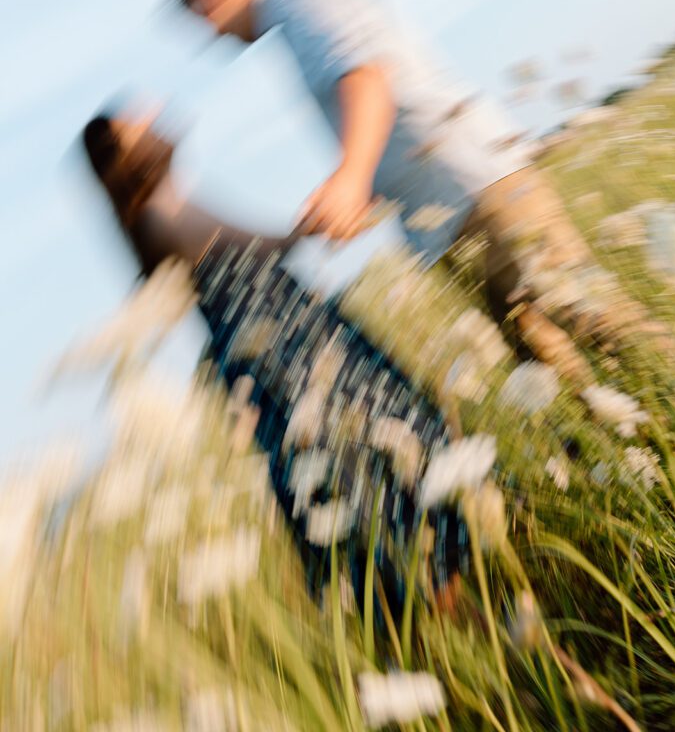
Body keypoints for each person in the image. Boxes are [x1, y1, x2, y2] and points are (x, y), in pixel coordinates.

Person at [172, 0, 673, 385]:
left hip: (474, 190)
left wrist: (351, 175)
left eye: (205, 20)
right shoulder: (292, 15)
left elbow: (365, 73)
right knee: (550, 370)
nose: (216, 35)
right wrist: (366, 188)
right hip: (448, 213)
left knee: (598, 322)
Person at [81, 108, 469, 621]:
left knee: (347, 473)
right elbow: (264, 244)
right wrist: (325, 221)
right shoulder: (163, 208)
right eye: (141, 123)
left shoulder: (154, 213)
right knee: (368, 456)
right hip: (289, 348)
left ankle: (419, 603)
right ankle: (443, 591)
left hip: (273, 351)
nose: (155, 116)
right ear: (126, 156)